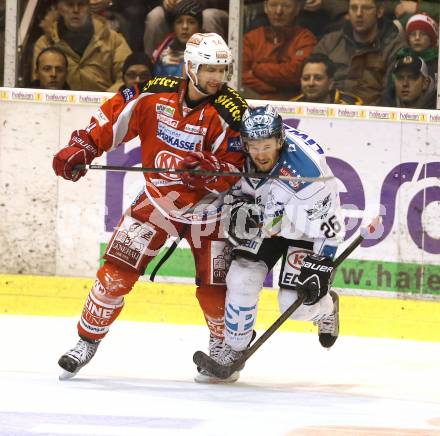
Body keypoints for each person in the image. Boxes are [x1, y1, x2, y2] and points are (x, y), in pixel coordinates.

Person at [52, 33, 248, 383]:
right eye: (208, 69)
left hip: (212, 213)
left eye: (222, 70)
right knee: (114, 276)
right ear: (189, 66)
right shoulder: (153, 93)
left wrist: (211, 172)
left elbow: (240, 171)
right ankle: (86, 341)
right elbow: (112, 118)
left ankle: (221, 348)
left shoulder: (233, 112)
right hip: (158, 202)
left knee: (216, 289)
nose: (216, 78)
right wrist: (83, 146)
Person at [204, 105, 344, 380]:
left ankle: (327, 308)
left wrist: (322, 266)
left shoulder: (307, 173)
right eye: (253, 146)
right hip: (265, 222)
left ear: (280, 140)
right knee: (241, 279)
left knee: (296, 307)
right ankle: (233, 348)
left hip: (304, 229)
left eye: (266, 146)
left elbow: (331, 227)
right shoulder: (235, 152)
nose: (260, 153)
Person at [313, 0, 407, 106]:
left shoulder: (394, 47)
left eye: (366, 8)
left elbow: (391, 95)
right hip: (328, 113)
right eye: (353, 8)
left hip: (371, 116)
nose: (359, 14)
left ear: (379, 12)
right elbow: (312, 82)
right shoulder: (329, 43)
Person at [32, 0, 132, 92]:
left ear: (89, 8)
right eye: (70, 5)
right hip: (59, 107)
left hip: (105, 107)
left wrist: (104, 101)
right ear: (59, 8)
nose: (76, 10)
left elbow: (128, 78)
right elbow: (39, 83)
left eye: (81, 4)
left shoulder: (113, 40)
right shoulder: (44, 44)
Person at [241, 0, 317, 101]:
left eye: (286, 6)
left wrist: (257, 68)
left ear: (297, 9)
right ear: (265, 8)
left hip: (293, 104)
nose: (278, 11)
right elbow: (240, 75)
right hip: (252, 101)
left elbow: (295, 74)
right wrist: (272, 88)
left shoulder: (305, 38)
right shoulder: (251, 38)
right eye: (273, 5)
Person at [144, 0, 229, 58]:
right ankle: (151, 65)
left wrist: (192, 2)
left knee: (208, 16)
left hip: (212, 9)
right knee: (155, 17)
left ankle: (215, 64)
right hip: (173, 11)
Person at [152, 0, 203, 78]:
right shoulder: (162, 54)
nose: (185, 27)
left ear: (199, 27)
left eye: (191, 22)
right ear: (173, 27)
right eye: (179, 22)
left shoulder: (209, 54)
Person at [291, 53, 364, 104]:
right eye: (306, 78)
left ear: (331, 83)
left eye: (318, 78)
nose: (311, 83)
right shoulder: (291, 106)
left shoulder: (352, 105)